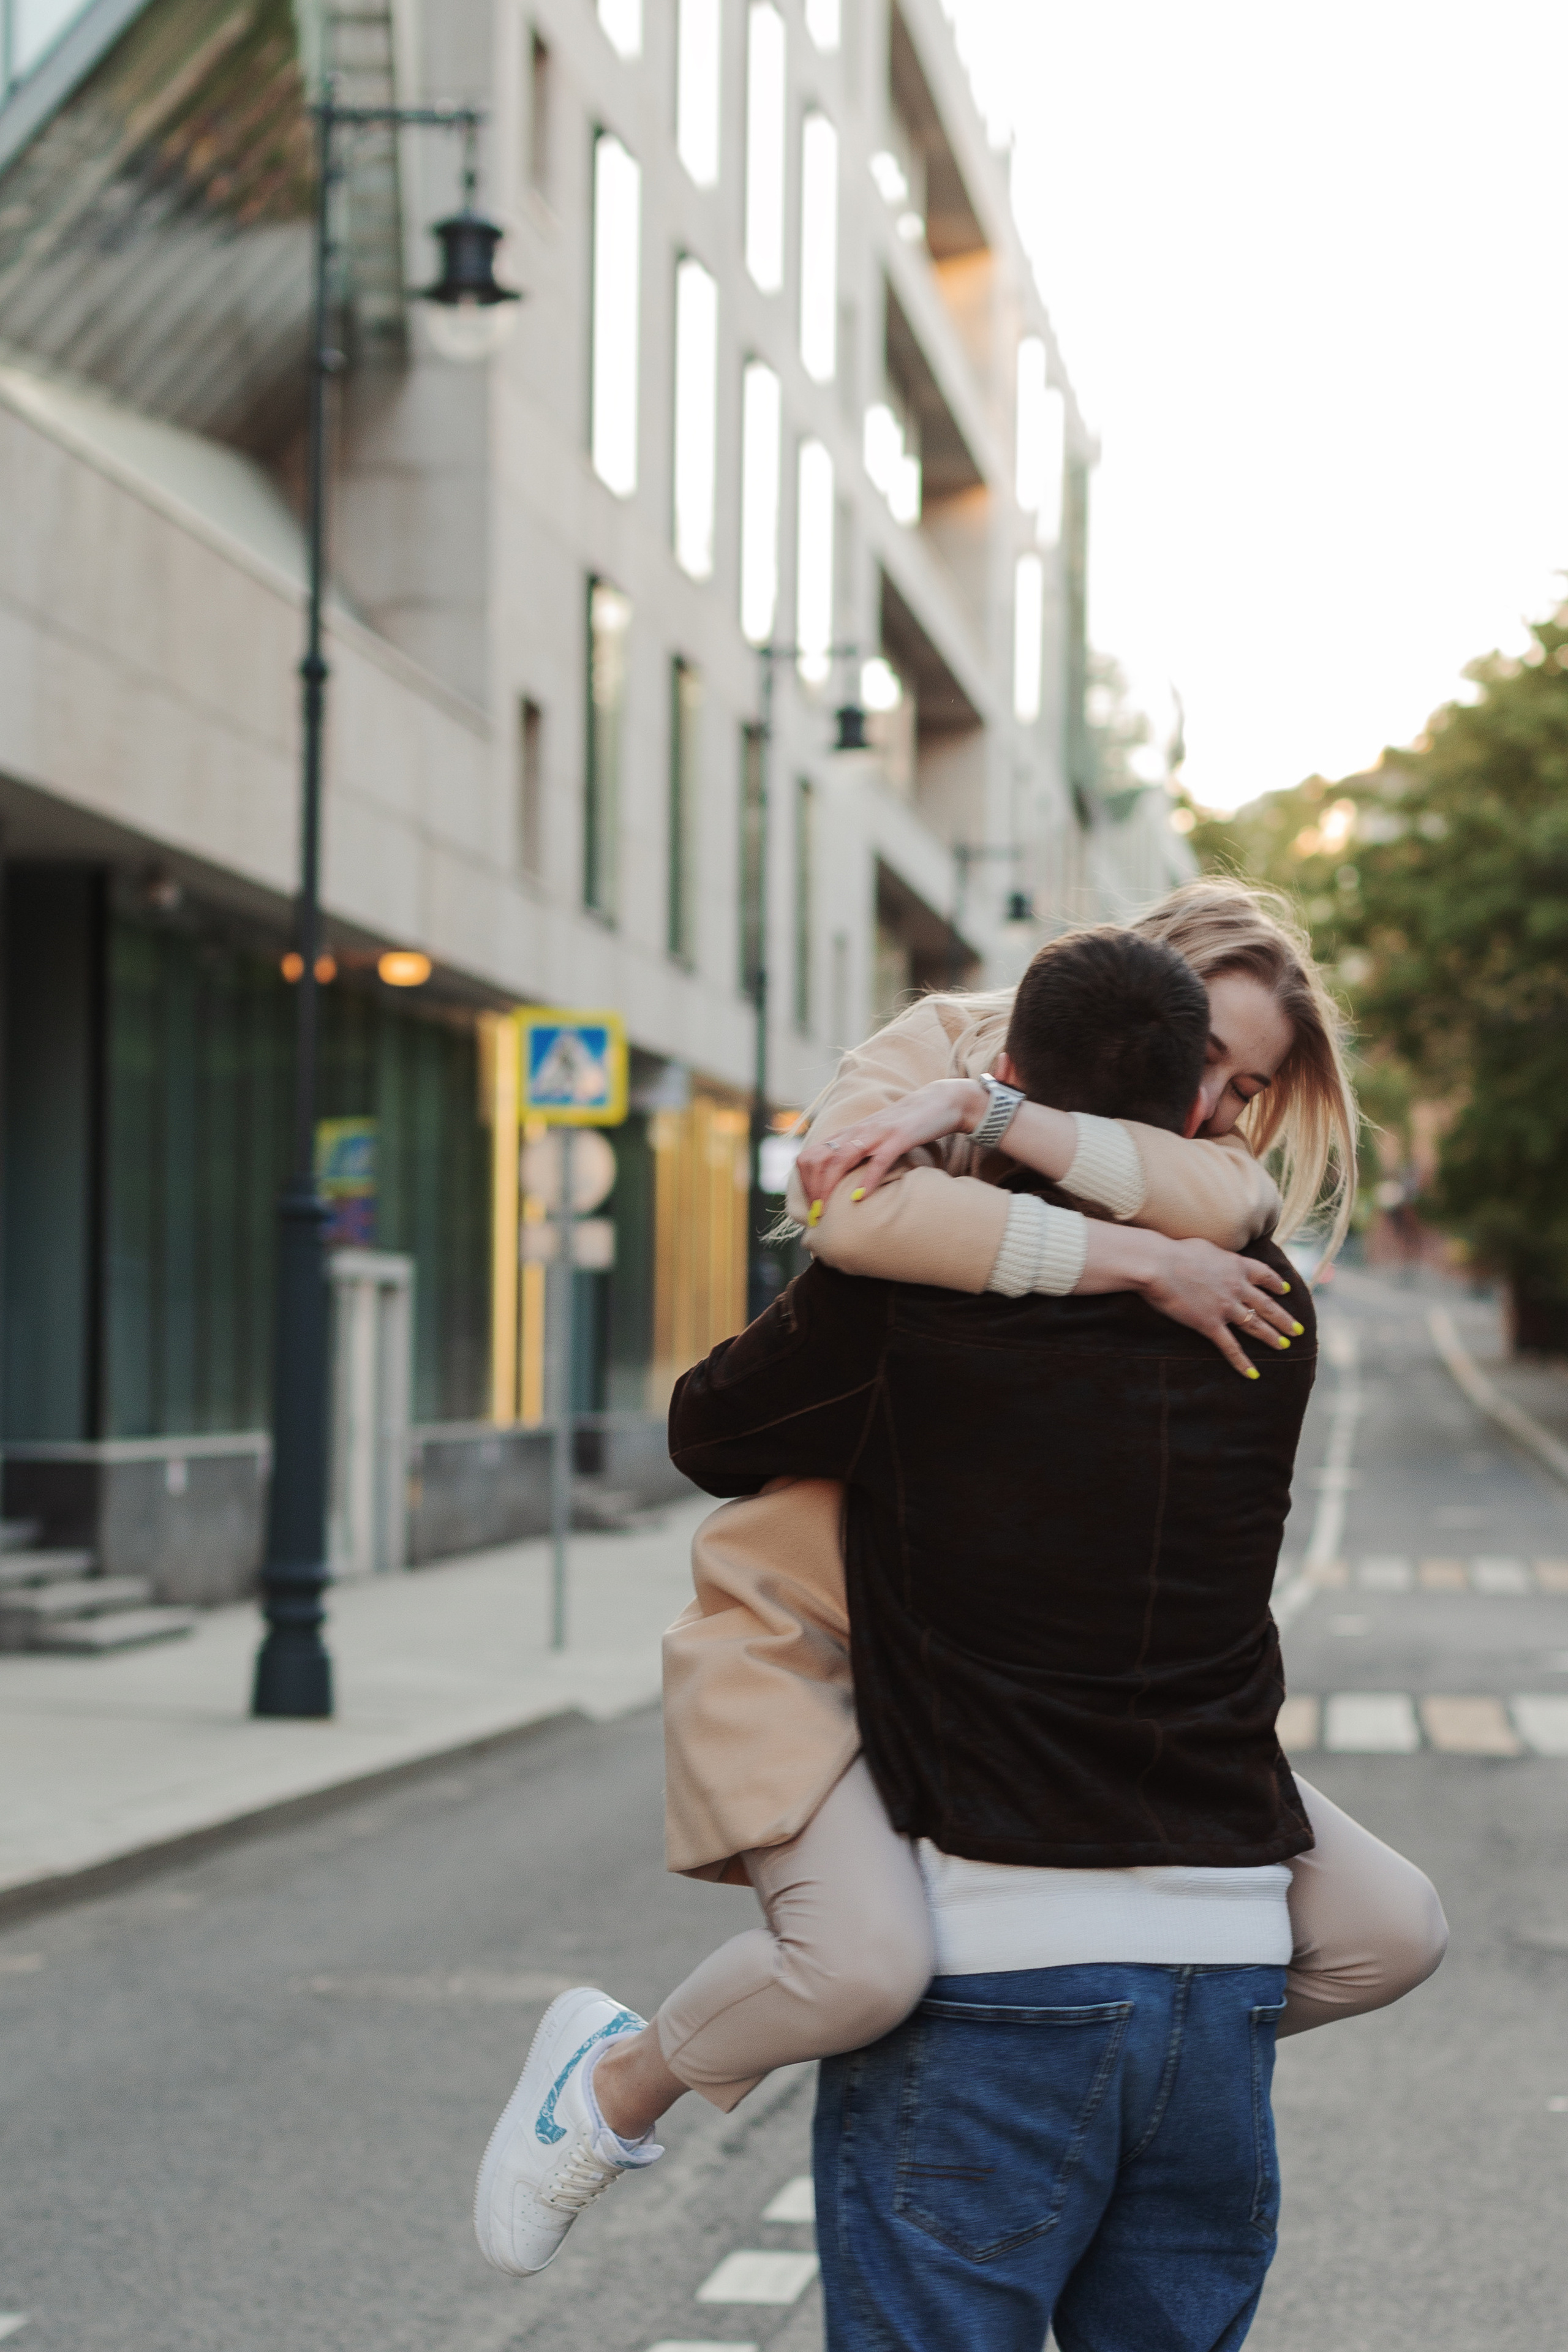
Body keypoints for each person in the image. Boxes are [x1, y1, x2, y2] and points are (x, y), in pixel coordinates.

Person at [470, 895, 1445, 2282]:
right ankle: (616, 2083)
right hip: (823, 1636)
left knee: (1388, 1929)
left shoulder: (1193, 1190)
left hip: (1029, 1670)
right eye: (1204, 1065)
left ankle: (1045, 2032)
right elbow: (852, 1214)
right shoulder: (932, 1051)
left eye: (1245, 1089)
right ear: (1143, 1010)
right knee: (863, 1970)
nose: (1211, 1114)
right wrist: (1117, 1240)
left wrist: (1005, 1130)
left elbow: (1234, 1205)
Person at [663, 1208, 1317, 2349]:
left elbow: (710, 1430)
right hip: (1223, 1963)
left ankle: (623, 2079)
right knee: (1399, 1922)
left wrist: (931, 1175)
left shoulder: (910, 1302)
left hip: (1000, 1958)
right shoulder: (1264, 1294)